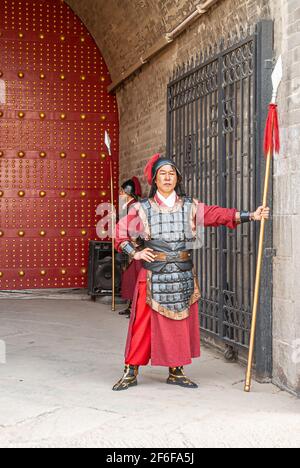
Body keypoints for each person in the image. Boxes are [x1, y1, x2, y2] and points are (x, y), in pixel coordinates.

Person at [113, 154, 270, 391]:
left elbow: (217, 215)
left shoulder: (190, 206)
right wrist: (134, 253)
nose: (167, 177)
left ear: (177, 178)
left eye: (171, 173)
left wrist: (250, 215)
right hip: (154, 274)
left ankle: (176, 370)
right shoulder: (142, 208)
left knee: (179, 323)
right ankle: (130, 370)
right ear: (155, 179)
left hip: (183, 274)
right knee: (142, 324)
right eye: (162, 174)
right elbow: (119, 232)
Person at [118, 178, 143, 318]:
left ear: (128, 192)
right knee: (130, 278)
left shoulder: (135, 206)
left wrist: (134, 241)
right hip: (128, 244)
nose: (120, 193)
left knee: (135, 278)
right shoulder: (128, 206)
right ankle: (131, 306)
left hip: (135, 246)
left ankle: (136, 308)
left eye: (122, 191)